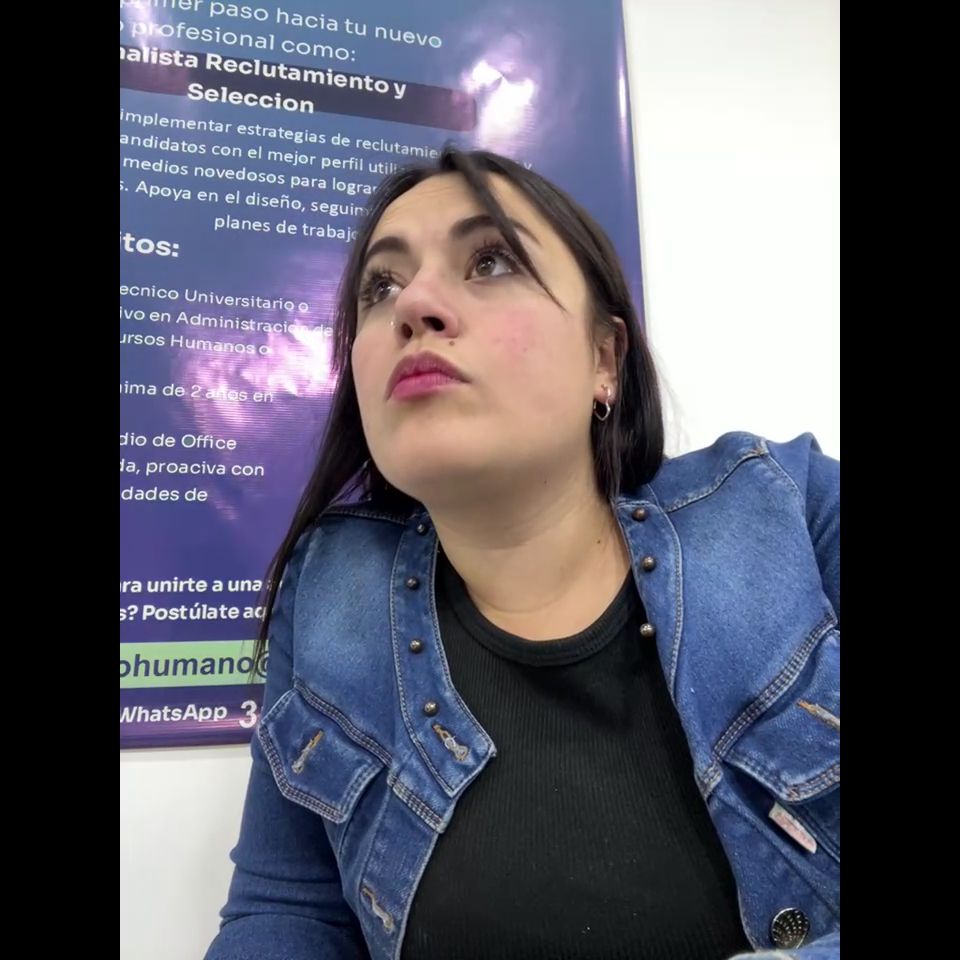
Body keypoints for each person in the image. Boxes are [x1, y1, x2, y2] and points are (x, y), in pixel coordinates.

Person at [205, 146, 840, 960]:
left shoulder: (790, 510)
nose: (414, 305)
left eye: (491, 262)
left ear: (604, 360)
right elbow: (287, 913)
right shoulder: (332, 590)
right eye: (380, 286)